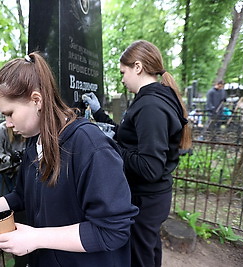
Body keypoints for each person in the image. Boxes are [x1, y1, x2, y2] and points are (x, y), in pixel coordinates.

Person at [0, 52, 139, 266]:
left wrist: (36, 238)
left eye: (10, 113)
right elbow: (22, 194)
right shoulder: (34, 140)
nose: (8, 123)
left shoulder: (90, 146)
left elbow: (112, 230)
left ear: (36, 100)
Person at [83, 40, 192, 267]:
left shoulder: (151, 105)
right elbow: (130, 136)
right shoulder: (151, 99)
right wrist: (99, 114)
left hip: (146, 199)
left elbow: (149, 167)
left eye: (124, 72)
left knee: (140, 257)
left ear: (138, 67)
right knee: (149, 249)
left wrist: (109, 144)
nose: (122, 79)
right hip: (152, 197)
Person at [0, 121, 25, 200]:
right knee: (1, 202)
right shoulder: (0, 130)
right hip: (1, 171)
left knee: (18, 201)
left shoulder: (26, 130)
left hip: (18, 171)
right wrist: (10, 159)